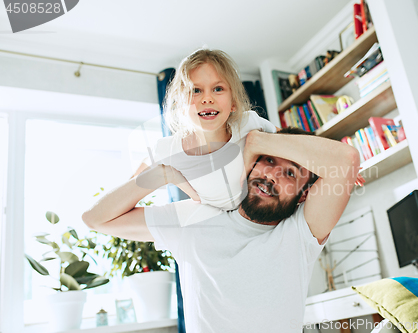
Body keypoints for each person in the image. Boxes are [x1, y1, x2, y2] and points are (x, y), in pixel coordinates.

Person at [82, 127, 361, 332]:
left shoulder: (301, 233)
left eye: (291, 174)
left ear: (303, 195)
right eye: (270, 160)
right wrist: (162, 173)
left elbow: (346, 160)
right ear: (251, 164)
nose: (272, 175)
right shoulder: (193, 218)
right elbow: (96, 219)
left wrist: (258, 139)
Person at [149, 49, 277, 214]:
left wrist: (255, 144)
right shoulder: (168, 149)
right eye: (196, 90)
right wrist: (177, 180)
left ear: (233, 103)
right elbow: (136, 182)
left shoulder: (248, 123)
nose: (207, 98)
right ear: (180, 106)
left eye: (218, 89)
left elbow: (291, 141)